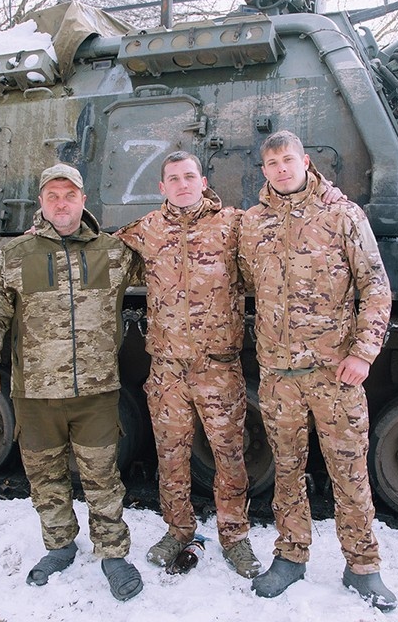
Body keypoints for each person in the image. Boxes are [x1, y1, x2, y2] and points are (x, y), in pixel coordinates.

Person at [237, 131, 397, 611]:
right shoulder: (253, 223)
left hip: (335, 373)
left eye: (288, 160)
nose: (280, 169)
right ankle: (290, 556)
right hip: (279, 375)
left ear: (305, 161)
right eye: (271, 163)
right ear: (263, 171)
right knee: (286, 470)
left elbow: (375, 286)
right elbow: (246, 285)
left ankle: (363, 566)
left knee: (348, 470)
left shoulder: (343, 215)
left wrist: (363, 353)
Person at [0, 163, 144, 602]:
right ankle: (60, 545)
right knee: (45, 477)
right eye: (52, 196)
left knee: (103, 476)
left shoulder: (115, 252)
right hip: (35, 394)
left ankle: (112, 553)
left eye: (70, 194)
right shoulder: (16, 254)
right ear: (42, 204)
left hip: (96, 391)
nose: (61, 203)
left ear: (83, 200)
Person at [115, 151, 261, 579]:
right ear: (162, 187)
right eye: (173, 178)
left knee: (229, 456)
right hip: (167, 370)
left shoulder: (232, 224)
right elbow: (99, 248)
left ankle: (234, 537)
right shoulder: (147, 229)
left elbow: (276, 249)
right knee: (171, 456)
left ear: (203, 180)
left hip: (217, 368)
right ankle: (178, 529)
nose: (181, 184)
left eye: (189, 176)